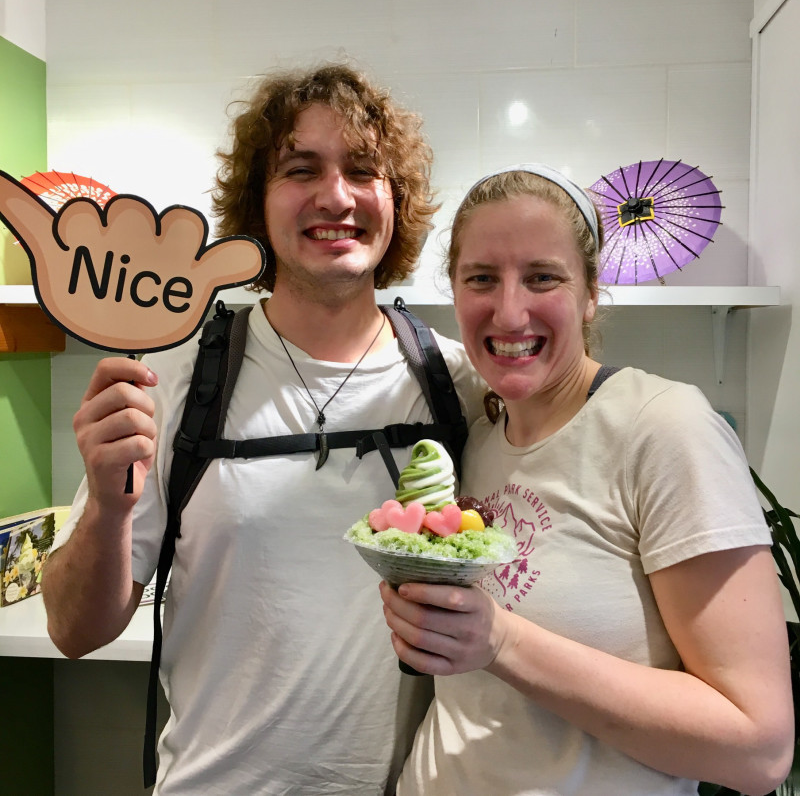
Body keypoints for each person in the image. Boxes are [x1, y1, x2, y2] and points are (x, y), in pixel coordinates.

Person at [41, 63, 487, 796]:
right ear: (257, 202)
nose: (336, 196)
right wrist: (109, 509)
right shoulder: (173, 382)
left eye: (363, 170)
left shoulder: (460, 388)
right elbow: (72, 630)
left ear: (396, 201)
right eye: (300, 169)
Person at [380, 164, 794, 796]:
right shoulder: (480, 436)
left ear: (592, 291)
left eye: (542, 277)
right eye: (481, 278)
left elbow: (757, 751)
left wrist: (502, 642)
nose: (509, 311)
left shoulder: (663, 427)